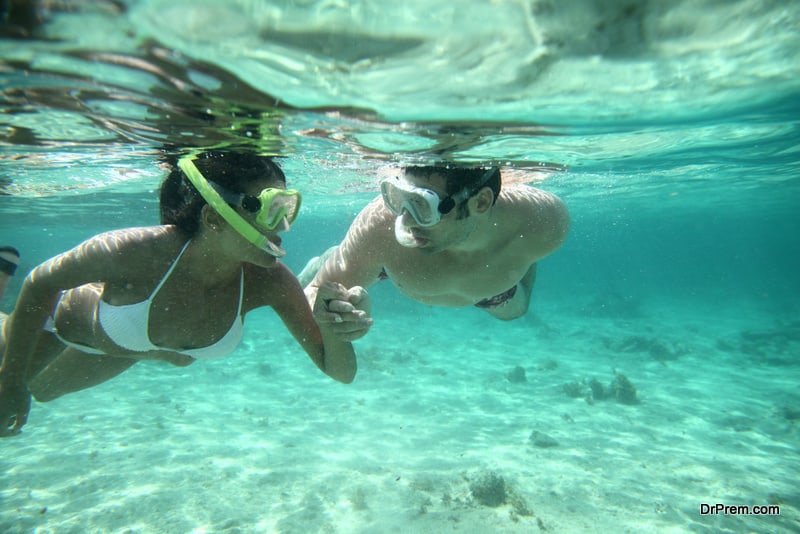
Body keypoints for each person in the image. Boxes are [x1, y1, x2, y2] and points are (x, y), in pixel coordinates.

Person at [0, 151, 362, 437]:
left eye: (288, 211)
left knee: (43, 392)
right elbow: (39, 283)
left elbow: (340, 372)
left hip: (127, 348)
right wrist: (10, 381)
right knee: (12, 383)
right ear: (214, 217)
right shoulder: (138, 250)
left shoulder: (269, 281)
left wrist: (335, 330)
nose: (282, 229)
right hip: (56, 323)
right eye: (271, 210)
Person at [301, 165, 570, 341]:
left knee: (516, 312)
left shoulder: (543, 221)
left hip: (493, 286)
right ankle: (328, 256)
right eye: (399, 198)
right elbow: (313, 291)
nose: (404, 221)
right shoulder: (380, 226)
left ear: (482, 202)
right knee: (344, 260)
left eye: (423, 205)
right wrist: (337, 315)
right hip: (392, 268)